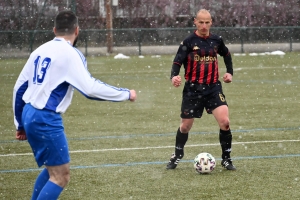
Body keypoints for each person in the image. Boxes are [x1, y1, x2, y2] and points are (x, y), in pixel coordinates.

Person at [13, 10, 137, 200]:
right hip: (45, 118)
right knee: (61, 176)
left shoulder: (39, 50)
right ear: (77, 30)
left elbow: (19, 88)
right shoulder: (71, 54)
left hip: (30, 113)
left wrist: (20, 124)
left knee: (51, 170)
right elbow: (90, 89)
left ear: (54, 30)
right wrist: (125, 94)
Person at [166, 9, 236, 171]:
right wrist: (174, 76)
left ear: (211, 22)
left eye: (207, 22)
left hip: (213, 88)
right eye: (201, 22)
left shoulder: (217, 40)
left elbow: (226, 55)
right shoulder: (188, 41)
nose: (204, 25)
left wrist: (229, 72)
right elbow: (177, 62)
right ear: (195, 22)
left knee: (225, 122)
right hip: (193, 90)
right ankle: (177, 154)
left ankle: (226, 158)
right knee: (185, 127)